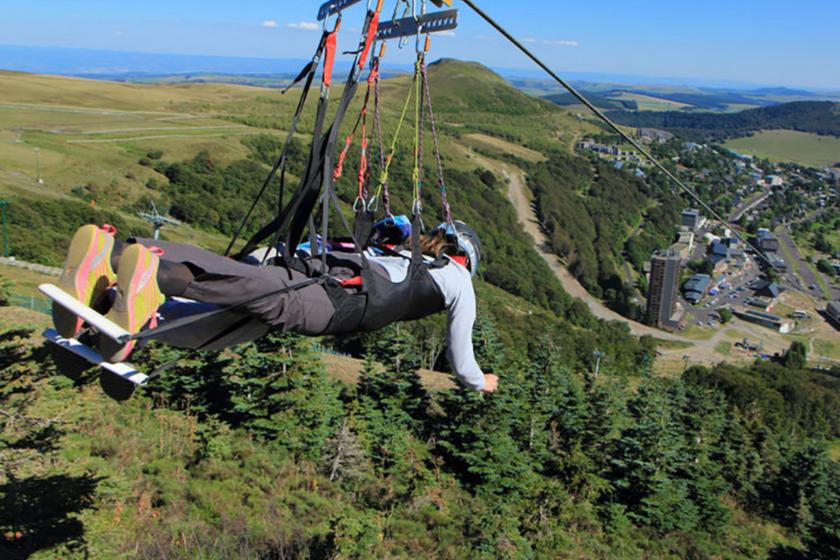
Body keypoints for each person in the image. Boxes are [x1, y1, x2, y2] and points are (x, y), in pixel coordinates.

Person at [53, 222, 499, 392]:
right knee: (242, 292)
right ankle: (140, 275)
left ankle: (113, 305)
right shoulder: (458, 281)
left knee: (234, 316)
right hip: (327, 303)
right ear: (468, 259)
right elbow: (462, 362)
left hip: (312, 272)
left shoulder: (400, 249)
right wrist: (482, 383)